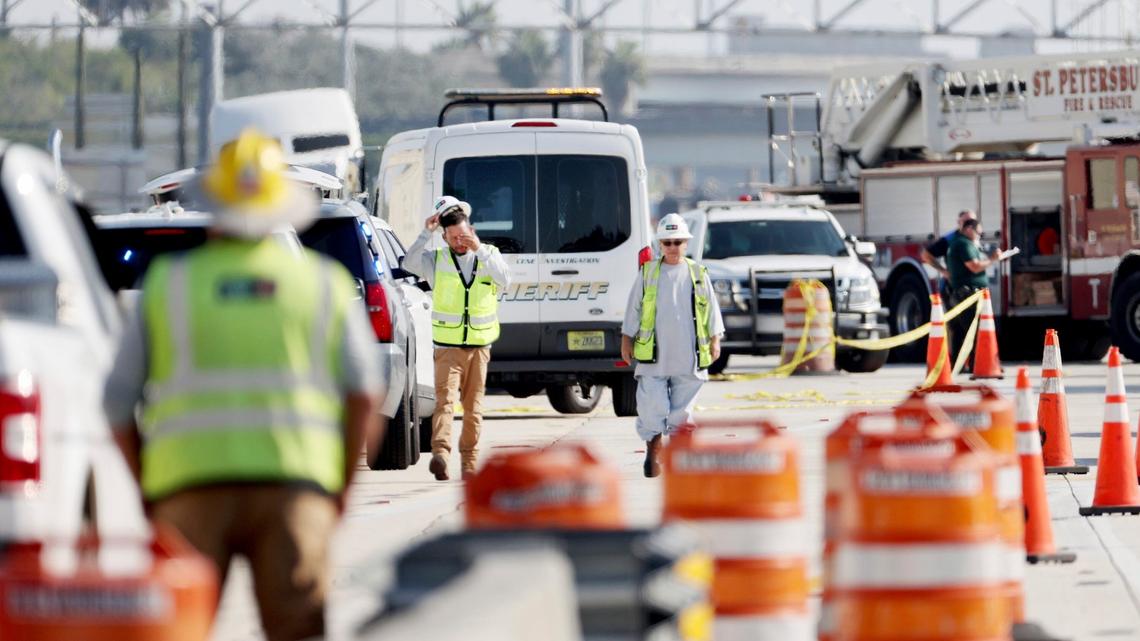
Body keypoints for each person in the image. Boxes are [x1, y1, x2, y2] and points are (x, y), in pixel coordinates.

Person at [104, 130, 384, 641]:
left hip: (188, 489)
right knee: (299, 628)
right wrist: (338, 488)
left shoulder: (169, 284)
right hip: (295, 488)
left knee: (180, 628)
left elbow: (117, 403)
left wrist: (148, 490)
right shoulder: (320, 284)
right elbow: (365, 391)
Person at [403, 196, 511, 481]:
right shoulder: (436, 260)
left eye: (463, 236)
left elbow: (505, 280)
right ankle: (440, 454)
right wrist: (426, 232)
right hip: (447, 348)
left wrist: (480, 250)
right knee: (445, 403)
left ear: (471, 230)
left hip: (479, 348)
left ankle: (469, 463)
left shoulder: (489, 254)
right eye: (452, 238)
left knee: (474, 409)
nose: (459, 242)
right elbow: (409, 262)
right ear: (445, 237)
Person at [620, 213, 724, 478]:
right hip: (654, 354)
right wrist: (626, 338)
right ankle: (653, 450)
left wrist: (715, 339)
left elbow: (711, 309)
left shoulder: (698, 274)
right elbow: (634, 308)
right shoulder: (648, 273)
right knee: (652, 406)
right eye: (667, 242)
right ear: (660, 245)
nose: (673, 247)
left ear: (686, 244)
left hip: (687, 355)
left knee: (682, 412)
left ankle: (680, 457)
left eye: (678, 242)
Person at [946, 217, 1000, 367]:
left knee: (960, 332)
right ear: (969, 229)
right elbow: (975, 266)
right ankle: (978, 365)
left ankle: (959, 365)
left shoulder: (961, 243)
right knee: (974, 331)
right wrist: (993, 259)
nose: (979, 236)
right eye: (978, 233)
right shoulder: (963, 244)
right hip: (967, 294)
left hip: (962, 294)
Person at [922, 209, 977, 296]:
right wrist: (943, 271)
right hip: (955, 290)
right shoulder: (950, 239)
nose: (969, 225)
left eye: (972, 222)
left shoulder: (976, 239)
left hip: (972, 288)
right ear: (959, 222)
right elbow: (926, 255)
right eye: (966, 222)